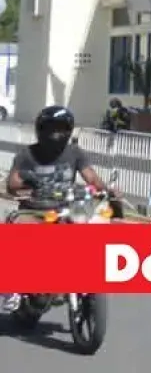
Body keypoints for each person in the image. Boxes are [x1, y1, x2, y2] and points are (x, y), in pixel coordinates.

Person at [1, 106, 116, 314]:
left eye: (61, 128)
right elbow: (12, 184)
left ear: (69, 130)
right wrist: (27, 184)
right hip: (33, 212)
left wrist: (107, 190)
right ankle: (12, 290)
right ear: (41, 129)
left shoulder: (74, 153)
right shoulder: (27, 154)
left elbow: (91, 177)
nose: (56, 133)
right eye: (52, 128)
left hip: (66, 210)